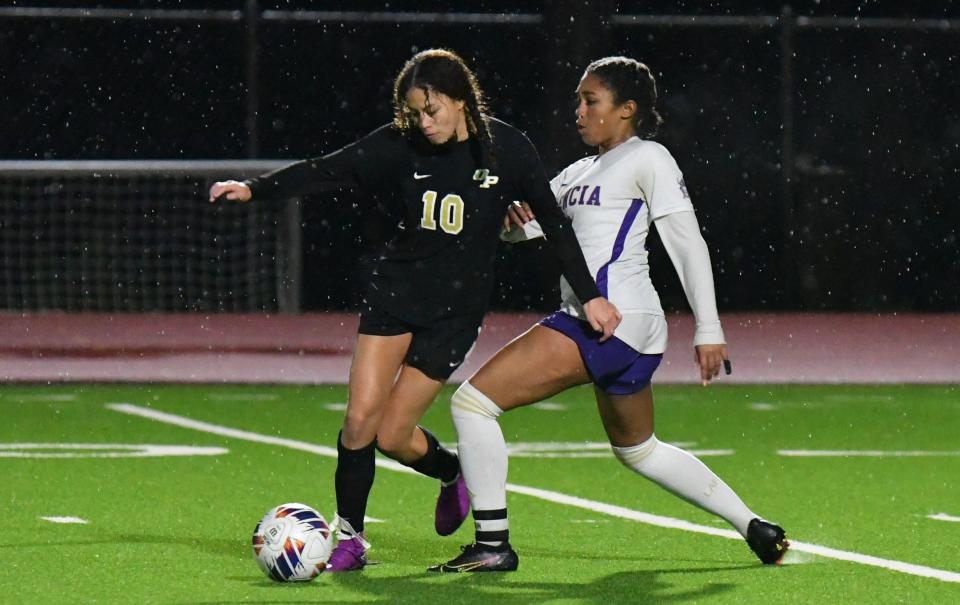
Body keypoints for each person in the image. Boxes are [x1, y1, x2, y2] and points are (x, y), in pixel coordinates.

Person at [209, 49, 620, 572]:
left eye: (433, 111)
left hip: (455, 313)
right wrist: (255, 190)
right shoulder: (399, 144)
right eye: (416, 113)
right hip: (395, 295)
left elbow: (556, 227)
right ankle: (352, 540)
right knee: (359, 421)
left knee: (393, 436)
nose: (424, 123)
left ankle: (452, 473)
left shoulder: (508, 150)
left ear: (461, 100)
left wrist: (591, 296)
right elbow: (328, 170)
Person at [430, 56, 789, 572]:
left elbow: (687, 244)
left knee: (472, 405)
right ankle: (753, 525)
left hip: (607, 323)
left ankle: (492, 545)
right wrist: (512, 224)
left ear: (626, 110)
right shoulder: (577, 172)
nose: (578, 111)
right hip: (628, 332)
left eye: (590, 100)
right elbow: (532, 229)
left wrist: (709, 328)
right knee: (639, 450)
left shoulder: (649, 158)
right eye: (578, 99)